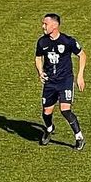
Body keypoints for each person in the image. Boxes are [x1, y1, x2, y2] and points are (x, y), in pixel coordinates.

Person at [35, 13, 87, 150]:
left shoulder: (67, 41)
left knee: (65, 109)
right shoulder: (42, 42)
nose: (43, 26)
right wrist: (40, 72)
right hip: (50, 82)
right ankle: (49, 128)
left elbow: (82, 55)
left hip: (65, 80)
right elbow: (38, 58)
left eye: (45, 24)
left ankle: (79, 137)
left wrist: (80, 75)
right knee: (46, 112)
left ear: (55, 25)